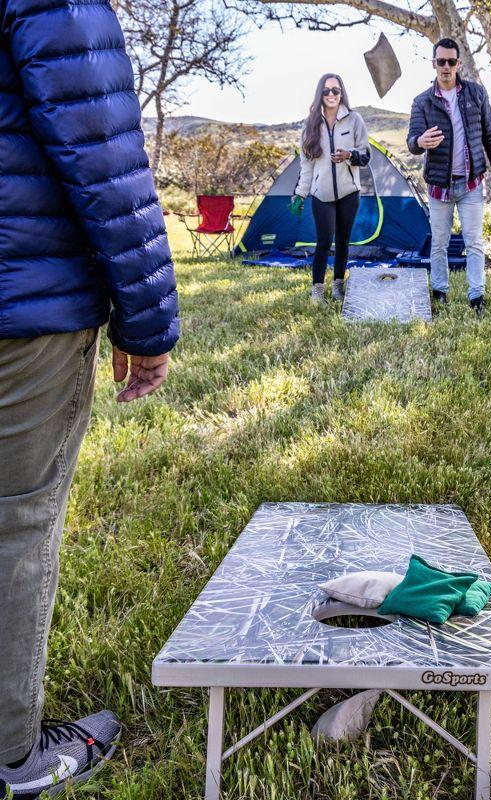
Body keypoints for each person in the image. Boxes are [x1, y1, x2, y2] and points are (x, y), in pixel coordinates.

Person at [0, 0, 179, 796]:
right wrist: (147, 323)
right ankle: (15, 757)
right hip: (23, 308)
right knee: (16, 522)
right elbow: (101, 152)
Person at [407, 38, 491, 316]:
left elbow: (490, 135)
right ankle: (439, 291)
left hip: (471, 183)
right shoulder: (422, 102)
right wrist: (420, 141)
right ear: (434, 64)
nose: (446, 67)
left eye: (452, 62)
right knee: (439, 242)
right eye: (441, 62)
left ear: (459, 64)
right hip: (439, 186)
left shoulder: (476, 94)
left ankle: (477, 296)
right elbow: (412, 142)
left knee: (474, 241)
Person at [293, 74, 371, 305]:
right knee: (324, 241)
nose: (331, 95)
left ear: (341, 93)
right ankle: (317, 291)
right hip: (321, 195)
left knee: (344, 241)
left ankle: (338, 286)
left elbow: (366, 155)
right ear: (320, 94)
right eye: (326, 91)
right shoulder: (310, 126)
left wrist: (349, 156)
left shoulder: (354, 120)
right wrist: (300, 193)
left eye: (335, 91)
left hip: (349, 193)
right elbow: (306, 166)